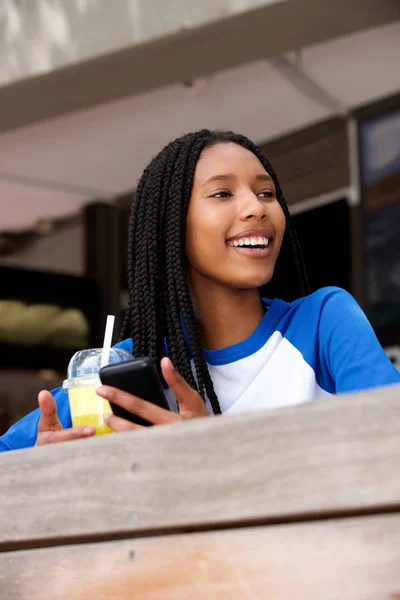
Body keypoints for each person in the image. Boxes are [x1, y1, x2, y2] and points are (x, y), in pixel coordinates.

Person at [1, 129, 399, 452]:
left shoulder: (323, 321)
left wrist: (207, 451)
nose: (256, 207)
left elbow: (388, 444)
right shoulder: (125, 369)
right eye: (222, 193)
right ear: (170, 229)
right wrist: (36, 466)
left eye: (266, 193)